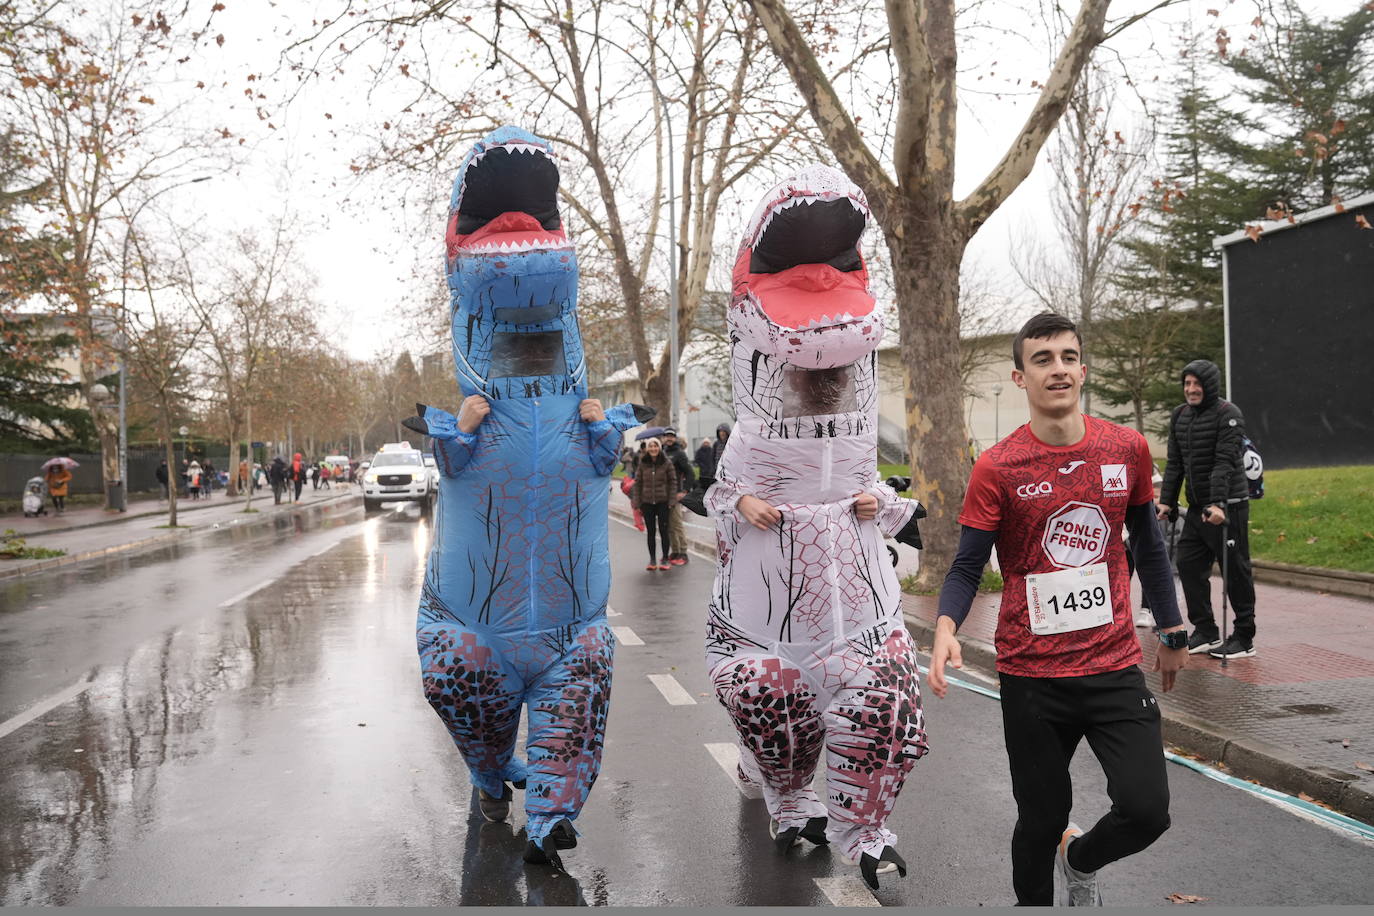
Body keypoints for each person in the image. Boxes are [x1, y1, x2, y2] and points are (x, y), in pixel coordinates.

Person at [703, 166, 927, 890]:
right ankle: (790, 801)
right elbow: (721, 495)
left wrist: (882, 507)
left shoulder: (858, 429)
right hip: (771, 609)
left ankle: (867, 831)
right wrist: (743, 507)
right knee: (777, 709)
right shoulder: (750, 435)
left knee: (885, 705)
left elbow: (870, 488)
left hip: (859, 599)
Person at [930, 312, 1187, 906]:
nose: (1058, 369)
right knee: (1041, 818)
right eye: (1042, 360)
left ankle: (1081, 858)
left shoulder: (1125, 448)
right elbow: (968, 564)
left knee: (1148, 810)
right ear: (1020, 377)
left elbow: (1148, 544)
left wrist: (1172, 626)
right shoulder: (998, 466)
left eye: (1068, 357)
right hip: (1032, 676)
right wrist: (945, 627)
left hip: (1113, 664)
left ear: (1083, 369)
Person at [1157, 358, 1258, 660]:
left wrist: (1218, 504)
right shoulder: (1180, 416)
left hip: (1228, 506)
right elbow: (1175, 463)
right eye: (1187, 384)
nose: (1191, 389)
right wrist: (1167, 501)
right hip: (1198, 508)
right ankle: (1206, 631)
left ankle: (1244, 637)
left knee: (1235, 571)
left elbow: (1224, 463)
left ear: (1209, 385)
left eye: (1196, 384)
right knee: (1188, 564)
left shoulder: (1229, 415)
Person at [630, 437, 677, 571]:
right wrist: (636, 502)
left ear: (659, 448)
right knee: (651, 531)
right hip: (647, 502)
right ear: (647, 448)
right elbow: (638, 483)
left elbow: (673, 482)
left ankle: (665, 559)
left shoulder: (667, 463)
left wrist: (672, 500)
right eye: (650, 446)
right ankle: (652, 560)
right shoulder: (642, 463)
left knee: (664, 531)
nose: (653, 449)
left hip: (663, 502)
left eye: (655, 446)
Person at [661, 428, 695, 565]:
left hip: (675, 494)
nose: (669, 438)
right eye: (666, 436)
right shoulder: (662, 452)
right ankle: (674, 552)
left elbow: (690, 473)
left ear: (675, 438)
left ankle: (683, 553)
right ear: (663, 438)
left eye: (671, 436)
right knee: (669, 525)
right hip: (664, 494)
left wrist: (685, 490)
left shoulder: (679, 453)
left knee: (677, 524)